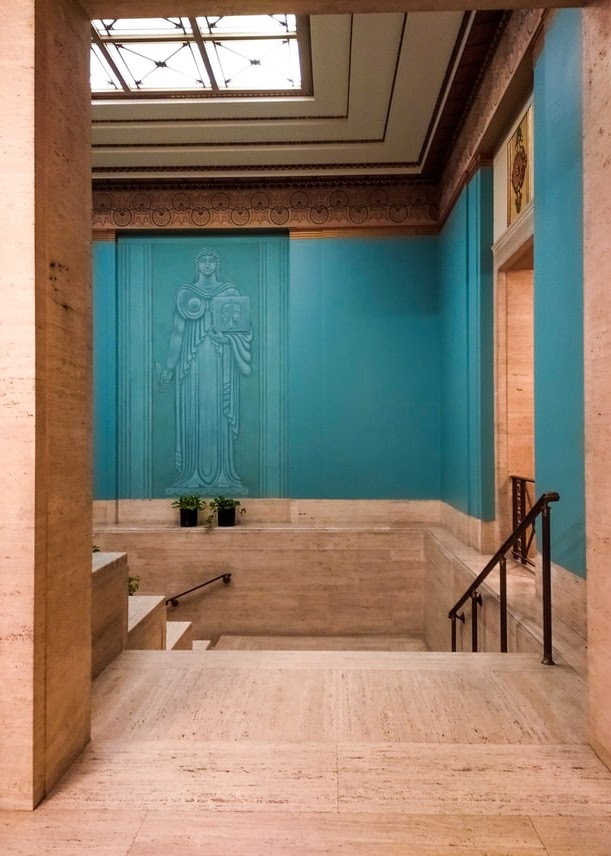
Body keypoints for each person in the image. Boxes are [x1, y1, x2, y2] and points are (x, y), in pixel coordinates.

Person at [159, 248, 253, 494]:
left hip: (222, 364)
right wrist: (169, 368)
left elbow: (243, 331)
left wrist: (225, 340)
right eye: (204, 260)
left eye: (212, 260)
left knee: (219, 413)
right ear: (197, 264)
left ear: (217, 264)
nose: (208, 264)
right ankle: (192, 475)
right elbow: (178, 334)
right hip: (193, 366)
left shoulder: (229, 292)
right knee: (194, 413)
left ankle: (224, 475)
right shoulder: (185, 294)